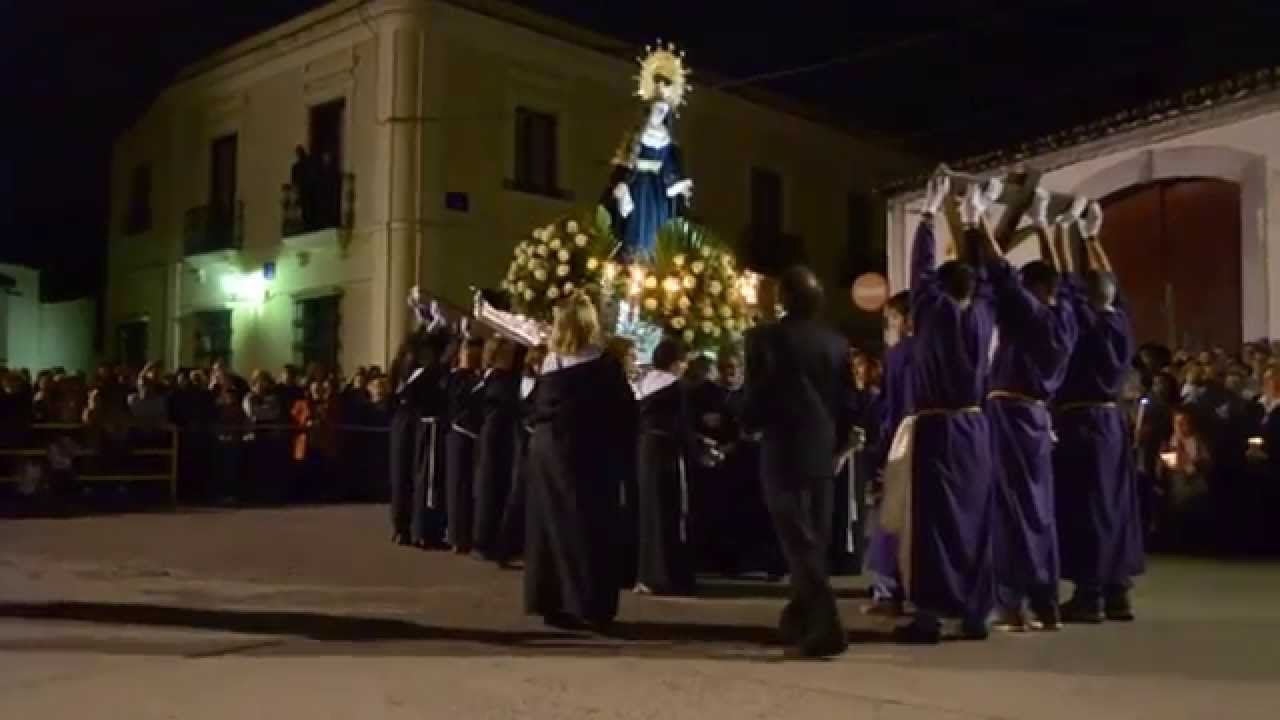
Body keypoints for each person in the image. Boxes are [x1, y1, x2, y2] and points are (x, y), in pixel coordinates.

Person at [891, 175, 998, 644]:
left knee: (933, 523)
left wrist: (929, 216)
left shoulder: (932, 313)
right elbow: (987, 276)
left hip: (937, 429)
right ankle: (975, 612)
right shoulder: (983, 313)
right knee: (975, 519)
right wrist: (975, 219)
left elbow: (921, 269)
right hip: (976, 428)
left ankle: (930, 614)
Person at [741, 265, 853, 657]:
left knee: (796, 537)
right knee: (813, 536)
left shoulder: (764, 338)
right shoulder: (837, 344)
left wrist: (741, 419)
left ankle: (826, 623)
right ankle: (800, 615)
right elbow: (847, 401)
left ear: (784, 299)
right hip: (821, 447)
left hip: (782, 445)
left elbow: (758, 392)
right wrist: (840, 443)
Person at [981, 188, 1079, 631]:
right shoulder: (1066, 317)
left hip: (1011, 416)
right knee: (1039, 511)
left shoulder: (1034, 315)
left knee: (1011, 508)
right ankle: (1046, 605)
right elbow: (1067, 280)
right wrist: (1044, 228)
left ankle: (1012, 605)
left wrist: (977, 220)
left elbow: (1000, 273)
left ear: (1034, 289)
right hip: (1038, 419)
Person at [524, 291, 637, 631]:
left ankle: (551, 600)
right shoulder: (602, 364)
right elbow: (624, 411)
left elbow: (534, 406)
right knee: (588, 526)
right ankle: (590, 603)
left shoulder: (550, 362)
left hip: (546, 450)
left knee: (549, 523)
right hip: (586, 453)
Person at [1054, 201, 1144, 624]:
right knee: (1115, 505)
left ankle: (1089, 594)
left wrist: (1053, 233)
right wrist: (1091, 238)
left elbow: (1068, 289)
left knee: (1087, 505)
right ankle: (1118, 591)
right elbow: (1113, 287)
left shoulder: (1088, 324)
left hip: (1083, 423)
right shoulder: (1120, 321)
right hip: (1112, 423)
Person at [599, 50, 694, 261]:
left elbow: (672, 173)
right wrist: (622, 186)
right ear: (648, 108)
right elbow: (623, 166)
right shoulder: (635, 136)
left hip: (659, 195)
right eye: (656, 108)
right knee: (635, 233)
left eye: (663, 109)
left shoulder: (670, 143)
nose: (660, 112)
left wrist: (679, 185)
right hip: (638, 189)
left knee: (658, 240)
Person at [634, 338, 696, 595]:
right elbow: (682, 426)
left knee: (648, 511)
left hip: (644, 449)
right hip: (667, 452)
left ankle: (646, 572)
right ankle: (666, 574)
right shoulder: (676, 388)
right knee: (669, 511)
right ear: (675, 363)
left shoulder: (642, 385)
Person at [865, 291, 913, 616]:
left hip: (905, 439)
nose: (890, 326)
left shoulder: (899, 355)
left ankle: (890, 590)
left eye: (892, 319)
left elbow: (891, 407)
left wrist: (880, 452)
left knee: (893, 517)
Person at [472, 336, 523, 561]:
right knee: (493, 486)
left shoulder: (491, 377)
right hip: (497, 435)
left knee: (493, 486)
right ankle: (487, 541)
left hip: (494, 434)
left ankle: (488, 539)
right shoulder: (501, 379)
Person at [445, 335, 486, 554]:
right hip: (460, 435)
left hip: (476, 437)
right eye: (467, 352)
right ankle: (457, 535)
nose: (471, 356)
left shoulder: (477, 376)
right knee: (458, 487)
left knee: (473, 488)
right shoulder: (456, 378)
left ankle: (470, 532)